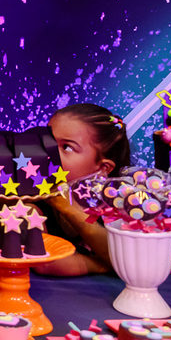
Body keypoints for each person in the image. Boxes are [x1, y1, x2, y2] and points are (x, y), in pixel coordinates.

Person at [32, 103, 131, 277]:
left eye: (67, 147)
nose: (49, 153)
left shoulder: (122, 206)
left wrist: (66, 207)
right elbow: (46, 262)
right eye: (46, 143)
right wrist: (107, 265)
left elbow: (132, 262)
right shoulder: (29, 204)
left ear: (103, 168)